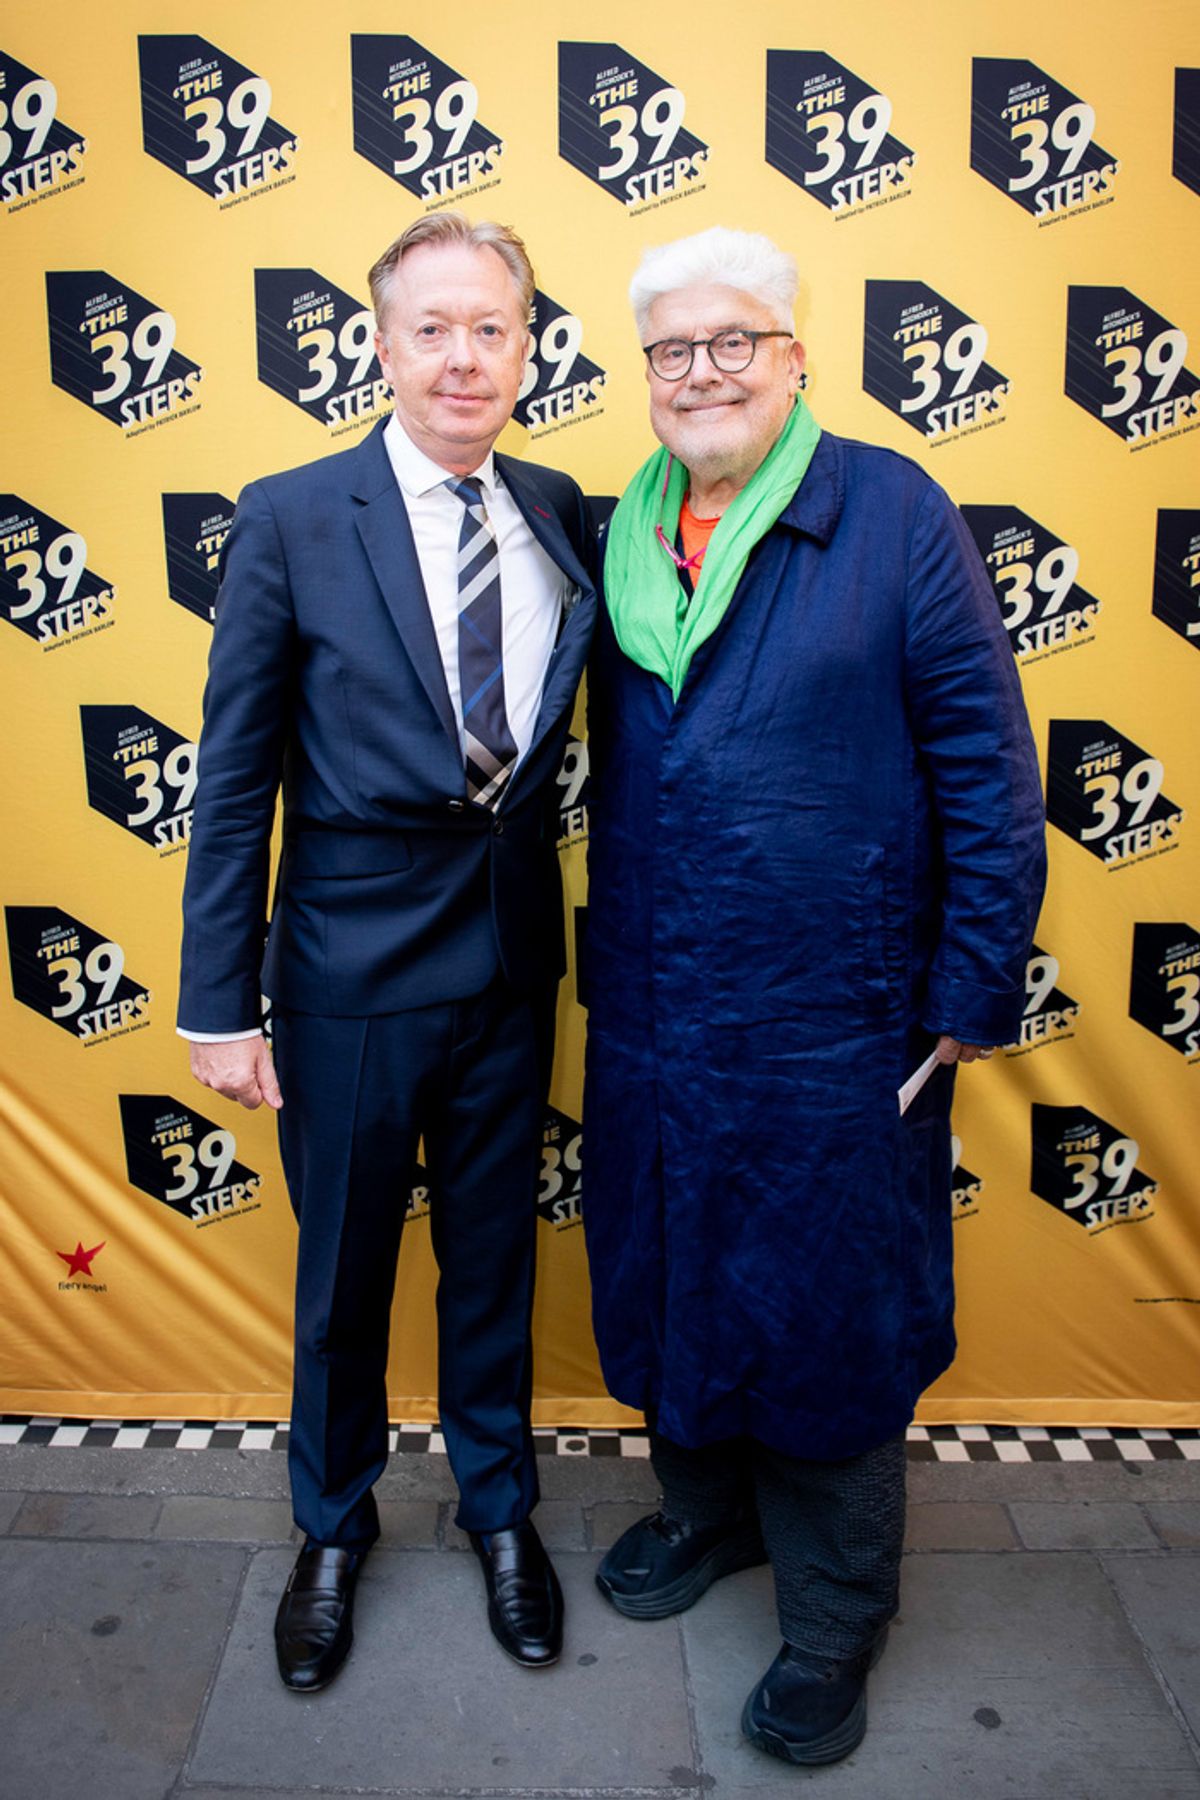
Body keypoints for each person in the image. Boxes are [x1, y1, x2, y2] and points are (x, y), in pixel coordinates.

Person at [582, 226, 1046, 1767]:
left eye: (734, 342)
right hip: (658, 1009)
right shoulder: (625, 533)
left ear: (794, 357)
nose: (701, 372)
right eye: (672, 351)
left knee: (829, 1318)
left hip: (835, 1020)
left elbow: (987, 771)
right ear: (644, 376)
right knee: (674, 1277)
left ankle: (840, 1616)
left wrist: (970, 994)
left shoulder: (894, 513)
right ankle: (712, 1520)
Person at [178, 213, 596, 1691]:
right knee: (344, 1277)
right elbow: (232, 779)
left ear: (528, 346)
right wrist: (218, 1006)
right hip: (346, 977)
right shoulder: (293, 513)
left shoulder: (560, 507)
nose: (465, 356)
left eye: (494, 327)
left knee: (492, 1265)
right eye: (435, 327)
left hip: (508, 964)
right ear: (382, 341)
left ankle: (499, 1514)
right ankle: (333, 1526)